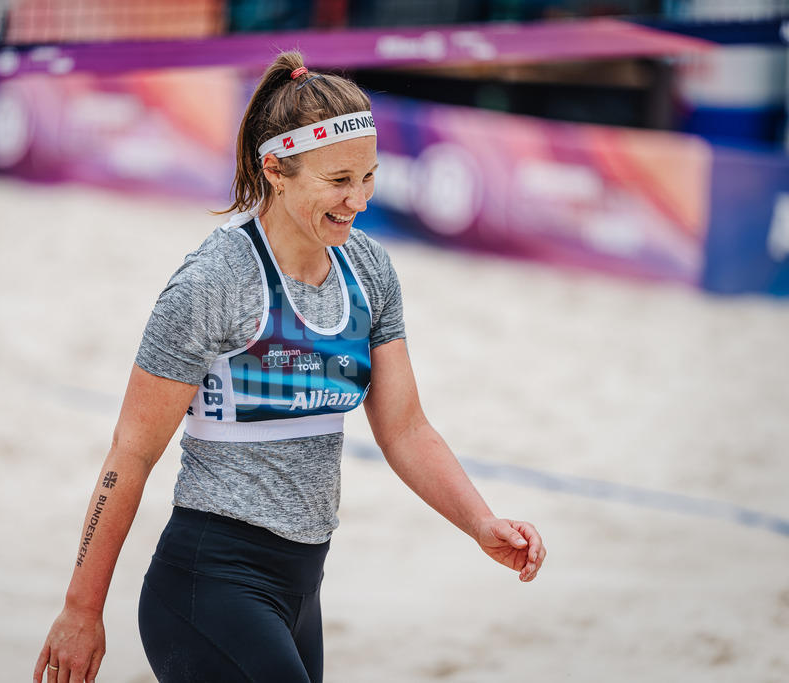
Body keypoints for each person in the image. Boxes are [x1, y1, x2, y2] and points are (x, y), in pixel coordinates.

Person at [33, 50, 546, 683]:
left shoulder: (370, 270)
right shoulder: (216, 281)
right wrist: (81, 609)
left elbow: (407, 429)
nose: (357, 199)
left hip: (302, 593)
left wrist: (480, 521)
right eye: (338, 181)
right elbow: (130, 456)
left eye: (369, 177)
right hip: (207, 586)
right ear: (276, 169)